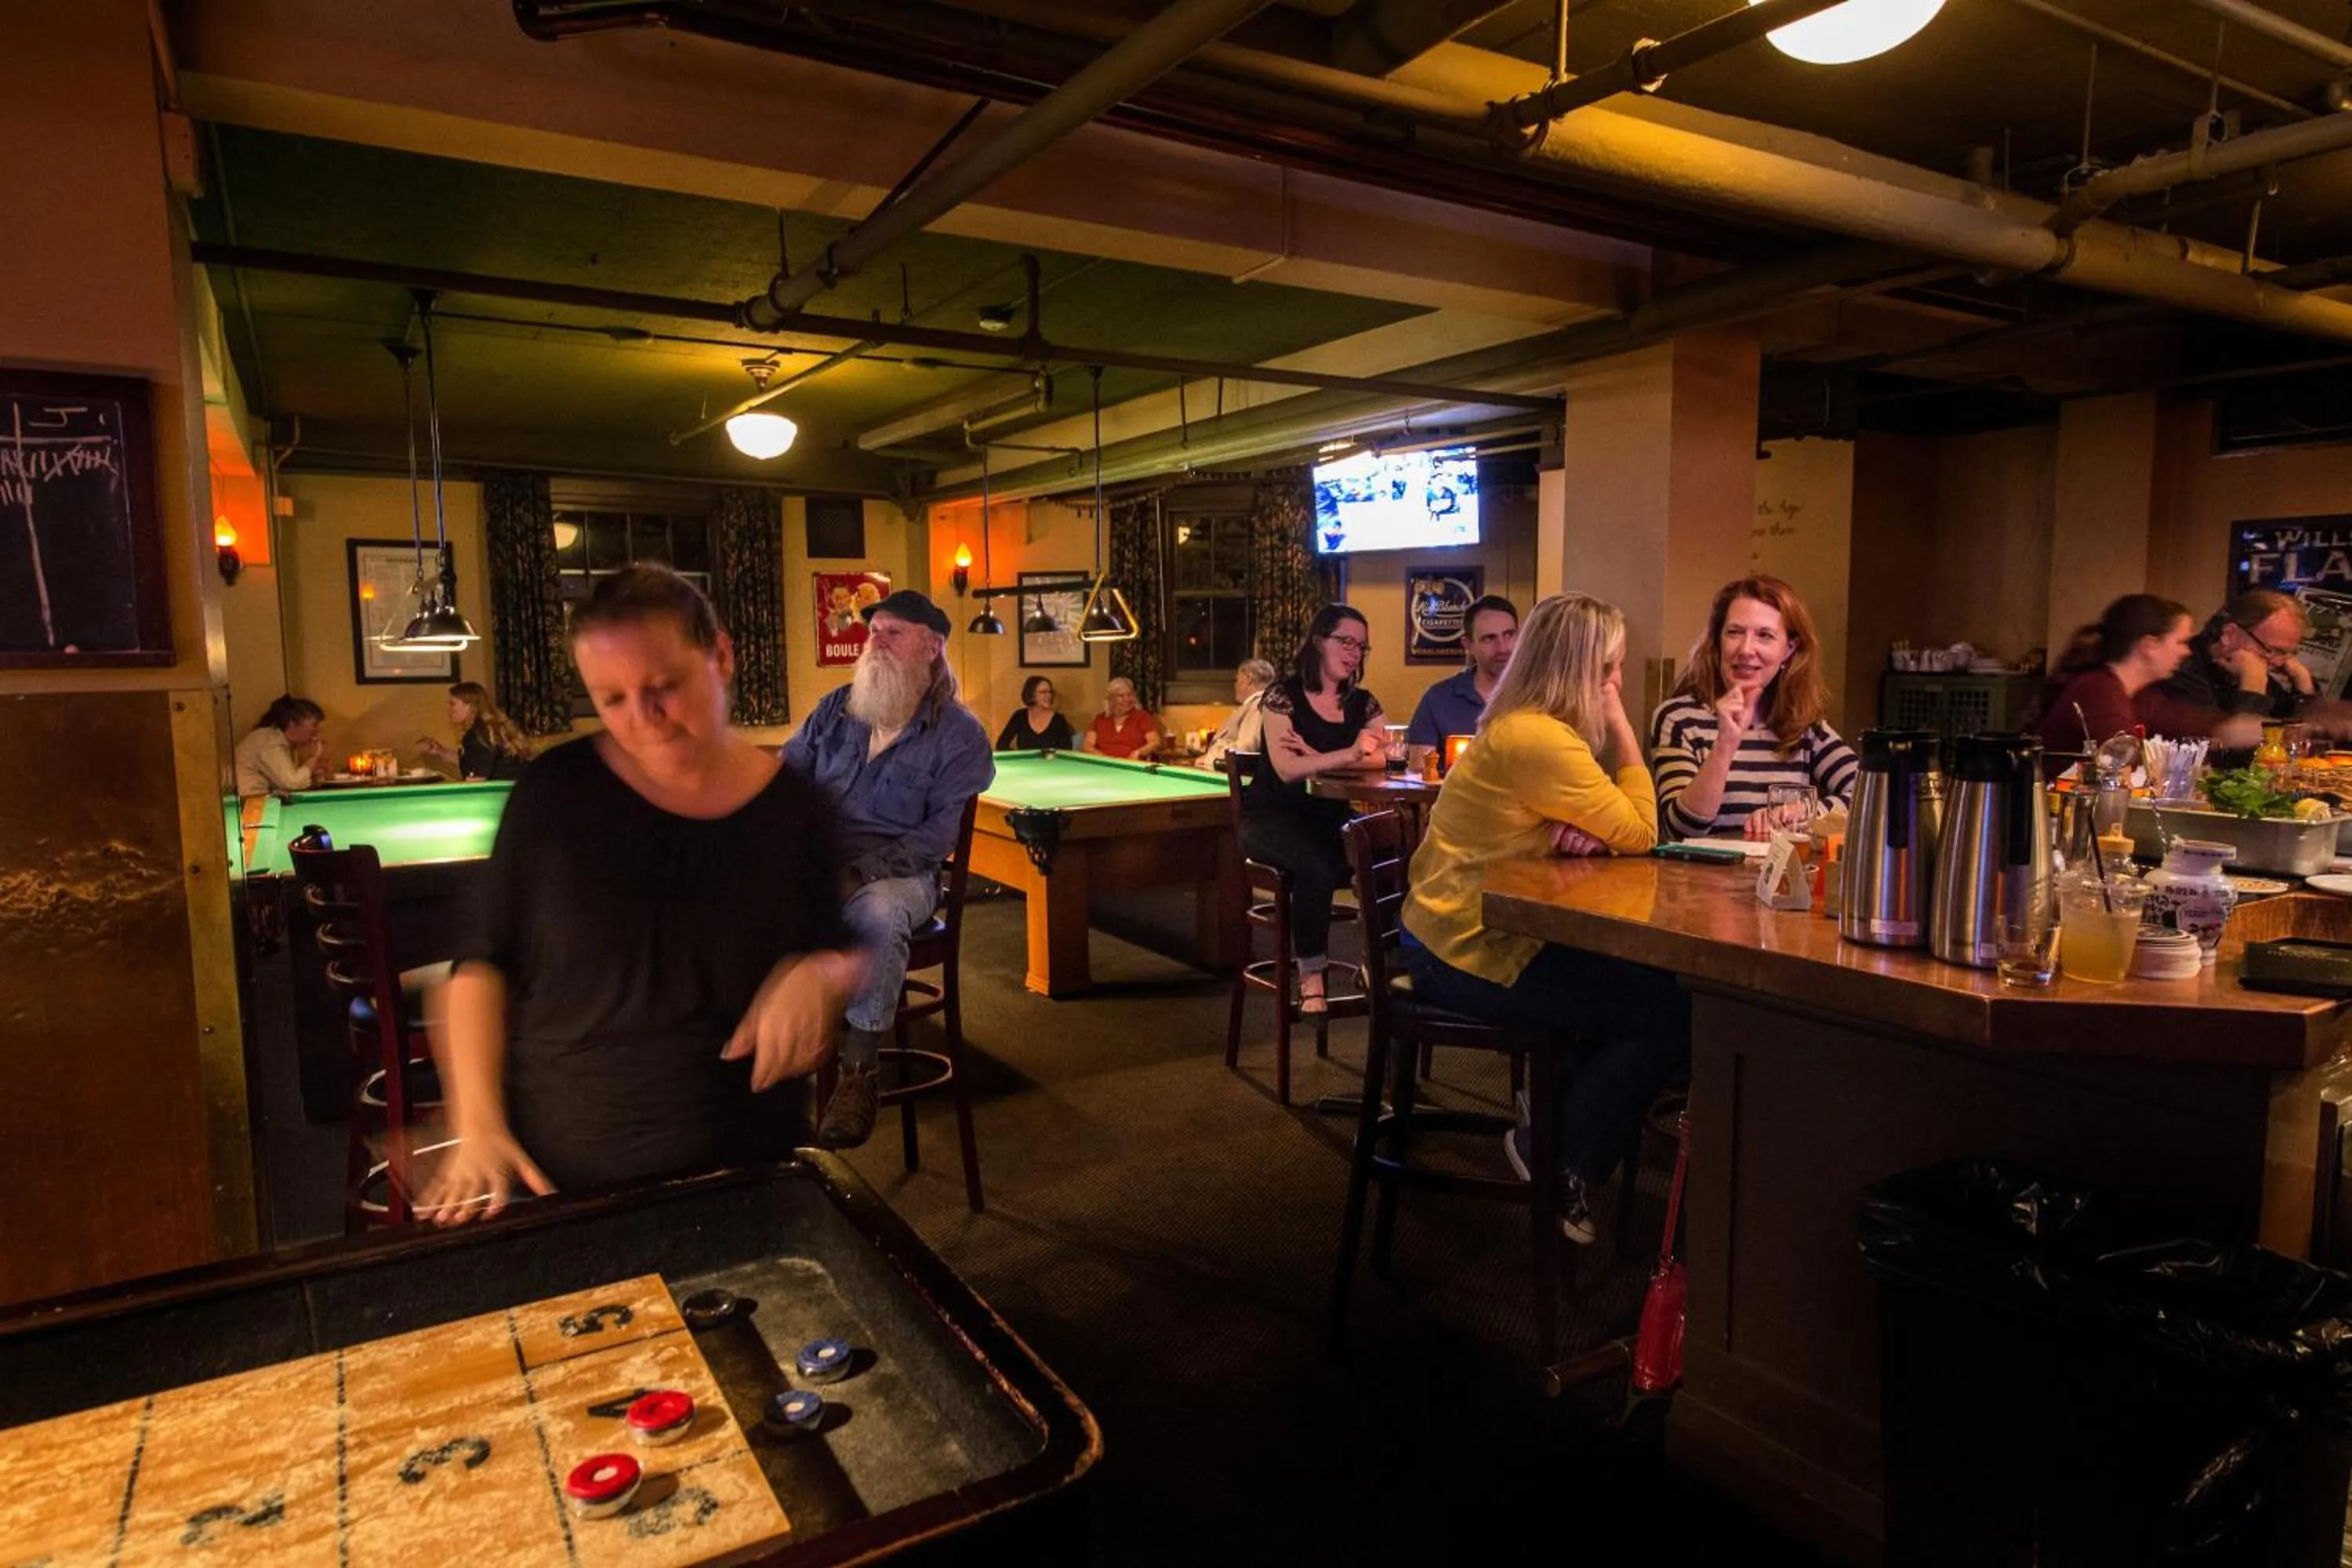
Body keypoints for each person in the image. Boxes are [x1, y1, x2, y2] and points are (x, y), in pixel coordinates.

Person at [417, 565, 864, 1220]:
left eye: (664, 688)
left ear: (720, 656)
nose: (644, 721)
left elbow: (846, 947)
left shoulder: (795, 807)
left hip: (748, 1169)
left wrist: (825, 974)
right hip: (561, 1176)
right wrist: (478, 1122)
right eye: (612, 699)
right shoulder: (553, 793)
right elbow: (479, 967)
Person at [1400, 593, 1681, 1244]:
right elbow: (1643, 828)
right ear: (1583, 668)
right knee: (1668, 1009)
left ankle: (1557, 1127)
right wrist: (1619, 722)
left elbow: (1608, 825)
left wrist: (1588, 829)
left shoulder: (1527, 725)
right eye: (1610, 668)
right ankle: (1556, 1152)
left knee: (1639, 986)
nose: (1615, 679)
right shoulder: (1541, 738)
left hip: (1455, 923)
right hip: (1464, 945)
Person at [786, 589, 995, 1149]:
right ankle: (752, 1053)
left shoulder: (960, 735)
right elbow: (786, 781)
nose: (874, 641)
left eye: (892, 633)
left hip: (901, 875)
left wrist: (855, 875)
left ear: (931, 646)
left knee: (877, 914)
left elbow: (935, 839)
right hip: (819, 863)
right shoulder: (836, 709)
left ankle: (859, 1074)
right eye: (873, 630)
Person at [1246, 604, 1388, 1014]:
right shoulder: (1282, 696)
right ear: (1317, 641)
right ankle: (1312, 978)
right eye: (1345, 641)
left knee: (1394, 857)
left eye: (1361, 646)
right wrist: (1345, 753)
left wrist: (1318, 754)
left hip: (1331, 818)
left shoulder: (1364, 703)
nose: (1354, 653)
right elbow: (1289, 770)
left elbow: (1381, 758)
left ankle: (1377, 964)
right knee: (1318, 867)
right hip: (1271, 819)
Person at [1650, 575, 1859, 841]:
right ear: (1718, 640)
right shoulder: (1679, 719)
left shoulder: (1804, 725)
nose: (1746, 649)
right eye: (1734, 632)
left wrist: (1805, 811)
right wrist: (1727, 742)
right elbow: (1682, 828)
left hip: (1780, 882)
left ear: (1789, 649)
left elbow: (1870, 797)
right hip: (1701, 881)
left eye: (1765, 636)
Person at [2031, 593, 2211, 755]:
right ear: (2149, 646)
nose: (2187, 652)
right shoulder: (2098, 690)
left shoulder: (2141, 696)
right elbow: (2122, 763)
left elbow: (2190, 723)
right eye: (2181, 642)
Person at [2155, 590, 2321, 726]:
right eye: (2272, 649)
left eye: (2287, 653)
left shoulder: (2254, 668)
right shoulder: (2178, 672)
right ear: (2230, 634)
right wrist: (2252, 686)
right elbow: (2230, 754)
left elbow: (2306, 742)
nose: (2278, 662)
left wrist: (2303, 680)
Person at [1404, 594, 1519, 771]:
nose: (1502, 648)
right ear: (1468, 645)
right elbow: (1420, 772)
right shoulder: (1438, 699)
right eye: (1489, 638)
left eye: (1509, 635)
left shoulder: (1539, 696)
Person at [420, 681, 532, 780]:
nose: (447, 708)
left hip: (507, 795)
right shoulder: (488, 728)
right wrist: (441, 751)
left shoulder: (478, 734)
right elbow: (474, 761)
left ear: (470, 706)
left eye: (452, 704)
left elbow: (477, 780)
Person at [234, 695, 325, 796]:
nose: (317, 731)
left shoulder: (282, 743)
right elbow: (292, 783)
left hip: (258, 800)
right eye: (314, 725)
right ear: (292, 724)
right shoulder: (269, 742)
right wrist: (315, 758)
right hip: (249, 804)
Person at [1199, 659, 1277, 771]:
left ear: (1249, 680)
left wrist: (1211, 758)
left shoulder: (1258, 706)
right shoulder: (1261, 704)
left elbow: (1245, 749)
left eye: (1237, 680)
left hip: (1232, 778)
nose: (1235, 685)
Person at [1081, 677, 1165, 760]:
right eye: (1121, 696)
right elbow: (1087, 745)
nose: (1127, 699)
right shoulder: (1100, 719)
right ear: (1111, 699)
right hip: (1104, 766)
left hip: (1131, 765)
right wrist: (1105, 759)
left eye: (1130, 695)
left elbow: (1154, 742)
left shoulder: (1142, 717)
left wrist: (1138, 752)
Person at [995, 675, 1077, 753]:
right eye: (1043, 692)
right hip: (1025, 765)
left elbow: (1066, 750)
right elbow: (1002, 744)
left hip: (1051, 765)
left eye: (1050, 692)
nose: (1048, 696)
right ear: (1031, 695)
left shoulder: (1058, 720)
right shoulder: (1019, 716)